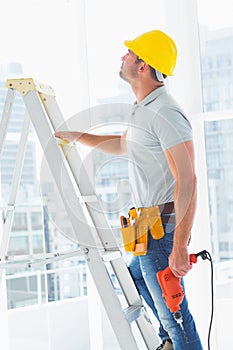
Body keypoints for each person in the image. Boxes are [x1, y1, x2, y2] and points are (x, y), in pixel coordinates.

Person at [55, 29, 203, 350]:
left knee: (177, 318)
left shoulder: (165, 111)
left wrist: (179, 246)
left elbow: (188, 180)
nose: (124, 57)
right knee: (136, 278)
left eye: (130, 54)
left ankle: (171, 340)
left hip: (162, 231)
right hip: (148, 228)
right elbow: (123, 144)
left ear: (143, 66)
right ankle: (166, 341)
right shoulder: (144, 108)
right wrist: (80, 136)